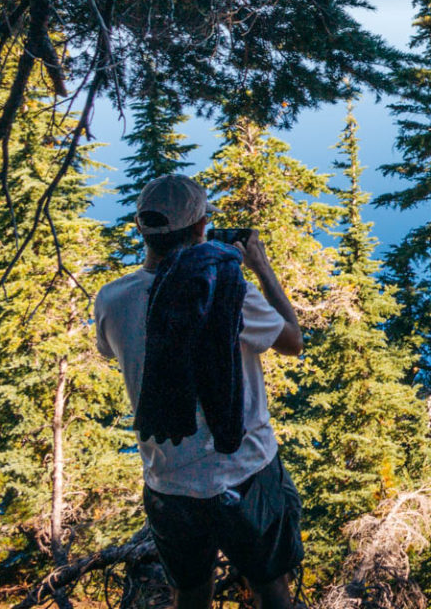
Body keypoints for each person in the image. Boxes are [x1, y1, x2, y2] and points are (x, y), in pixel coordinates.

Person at [95, 174, 305, 609]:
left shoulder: (111, 300)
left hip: (169, 481)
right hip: (246, 471)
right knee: (271, 587)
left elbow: (110, 350)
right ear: (200, 228)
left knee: (189, 593)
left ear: (142, 229)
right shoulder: (229, 293)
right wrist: (261, 266)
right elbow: (292, 342)